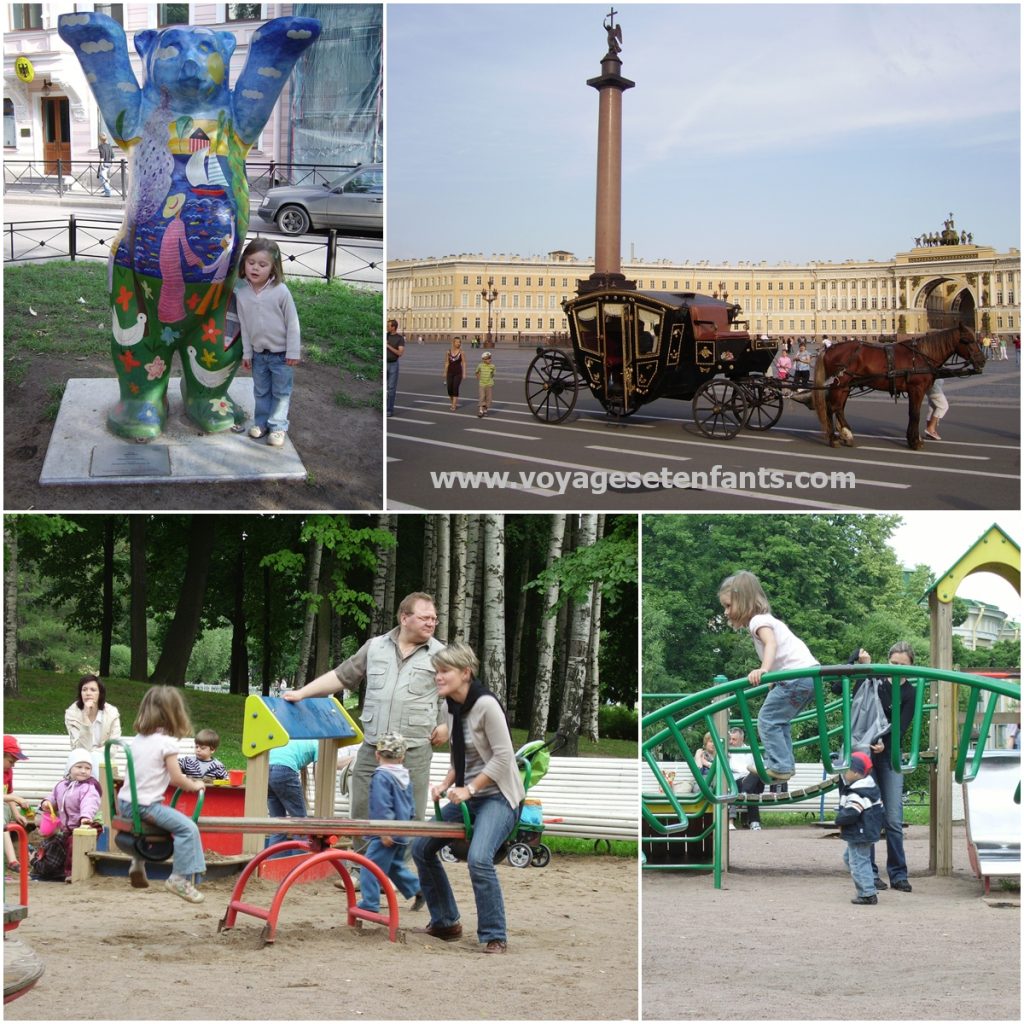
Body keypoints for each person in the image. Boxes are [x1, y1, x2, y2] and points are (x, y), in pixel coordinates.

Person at [283, 592, 448, 851]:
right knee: (361, 809)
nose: (431, 623)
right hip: (373, 746)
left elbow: (455, 693)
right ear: (404, 618)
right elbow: (342, 676)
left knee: (410, 814)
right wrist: (302, 693)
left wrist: (446, 723)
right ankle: (361, 870)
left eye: (434, 619)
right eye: (425, 617)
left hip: (414, 748)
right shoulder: (375, 647)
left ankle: (398, 874)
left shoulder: (441, 654)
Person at [412, 642, 524, 954]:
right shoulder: (453, 705)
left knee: (478, 858)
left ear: (465, 673)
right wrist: (445, 783)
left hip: (499, 797)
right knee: (421, 848)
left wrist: (470, 789)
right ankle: (447, 922)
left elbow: (504, 759)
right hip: (469, 796)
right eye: (437, 671)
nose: (438, 677)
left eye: (444, 671)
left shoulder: (486, 705)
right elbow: (460, 759)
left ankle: (494, 934)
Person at [719, 570, 819, 781]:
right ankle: (785, 765)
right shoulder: (764, 620)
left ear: (744, 601)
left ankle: (780, 765)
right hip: (807, 677)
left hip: (797, 677)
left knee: (767, 720)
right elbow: (783, 652)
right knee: (779, 721)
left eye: (728, 606)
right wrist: (774, 678)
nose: (726, 612)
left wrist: (764, 670)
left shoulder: (758, 621)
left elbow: (771, 644)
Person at [118, 686, 207, 903]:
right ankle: (179, 879)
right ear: (174, 714)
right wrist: (195, 785)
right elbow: (177, 779)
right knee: (188, 828)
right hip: (145, 806)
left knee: (163, 822)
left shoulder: (139, 739)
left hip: (125, 802)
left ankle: (138, 862)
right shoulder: (167, 743)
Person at [236, 238, 301, 448]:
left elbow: (292, 323)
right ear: (244, 263)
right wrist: (247, 354)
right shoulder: (242, 293)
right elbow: (244, 325)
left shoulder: (280, 291)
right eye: (251, 262)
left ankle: (278, 426)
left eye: (262, 265)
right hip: (259, 354)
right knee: (261, 391)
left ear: (273, 268)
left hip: (281, 355)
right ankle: (261, 423)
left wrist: (293, 352)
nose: (255, 268)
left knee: (281, 393)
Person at [865, 641, 918, 893]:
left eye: (902, 665)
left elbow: (902, 725)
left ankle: (898, 873)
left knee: (894, 818)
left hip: (890, 754)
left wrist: (885, 744)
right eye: (893, 664)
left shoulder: (910, 693)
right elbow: (857, 705)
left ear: (911, 666)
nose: (895, 670)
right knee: (871, 814)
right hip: (867, 753)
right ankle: (870, 872)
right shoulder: (876, 682)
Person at [356, 732, 424, 915]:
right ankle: (418, 889)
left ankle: (370, 902)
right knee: (394, 866)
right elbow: (411, 807)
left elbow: (382, 805)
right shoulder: (405, 776)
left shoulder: (382, 776)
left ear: (377, 754)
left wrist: (384, 831)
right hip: (402, 831)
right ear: (403, 756)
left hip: (385, 833)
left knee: (369, 866)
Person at [31, 749, 102, 882]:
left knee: (73, 845)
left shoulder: (89, 787)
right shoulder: (62, 785)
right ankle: (55, 869)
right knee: (57, 843)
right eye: (79, 767)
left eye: (87, 768)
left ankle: (72, 873)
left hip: (87, 825)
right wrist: (47, 803)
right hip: (67, 827)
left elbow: (90, 803)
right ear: (69, 768)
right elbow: (54, 797)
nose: (83, 771)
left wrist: (86, 817)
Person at [835, 750, 884, 905]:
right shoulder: (868, 788)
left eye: (846, 770)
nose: (843, 773)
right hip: (864, 831)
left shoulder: (858, 792)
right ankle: (866, 883)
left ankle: (867, 893)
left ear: (856, 773)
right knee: (851, 858)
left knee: (858, 861)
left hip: (859, 831)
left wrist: (839, 820)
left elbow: (851, 812)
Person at [264, 737, 317, 854]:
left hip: (266, 770)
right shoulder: (319, 744)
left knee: (278, 825)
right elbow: (320, 770)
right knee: (301, 824)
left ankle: (271, 867)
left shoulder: (294, 740)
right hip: (284, 770)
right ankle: (298, 866)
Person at [64, 674, 121, 757]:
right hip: (81, 763)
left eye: (93, 690)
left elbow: (113, 748)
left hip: (103, 762)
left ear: (100, 694)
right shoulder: (72, 714)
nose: (88, 693)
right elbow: (78, 749)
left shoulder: (112, 713)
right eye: (84, 690)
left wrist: (93, 754)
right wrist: (85, 718)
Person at [727, 727, 764, 831]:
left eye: (734, 739)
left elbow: (761, 767)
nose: (731, 742)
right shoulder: (728, 752)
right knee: (752, 792)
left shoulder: (751, 750)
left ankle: (744, 792)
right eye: (730, 739)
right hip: (738, 782)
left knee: (755, 772)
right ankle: (754, 822)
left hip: (754, 780)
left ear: (742, 739)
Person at [4, 735, 31, 874]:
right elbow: (11, 796)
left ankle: (26, 856)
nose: (13, 765)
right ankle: (12, 861)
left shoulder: (8, 772)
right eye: (11, 761)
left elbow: (8, 794)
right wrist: (16, 798)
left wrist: (16, 814)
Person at [386, 318, 405, 417]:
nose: (386, 327)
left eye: (388, 326)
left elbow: (400, 353)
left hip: (393, 365)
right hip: (385, 363)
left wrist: (388, 346)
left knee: (391, 388)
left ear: (393, 327)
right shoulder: (385, 335)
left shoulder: (399, 338)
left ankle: (389, 410)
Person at [442, 337, 467, 411]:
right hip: (450, 372)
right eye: (457, 342)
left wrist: (464, 373)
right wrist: (445, 371)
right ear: (453, 343)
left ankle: (454, 405)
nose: (458, 343)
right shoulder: (448, 352)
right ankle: (453, 401)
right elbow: (447, 362)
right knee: (449, 389)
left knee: (455, 388)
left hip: (458, 373)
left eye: (459, 342)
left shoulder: (462, 352)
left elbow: (464, 362)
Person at [475, 350, 496, 417]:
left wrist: (491, 377)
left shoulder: (492, 366)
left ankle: (485, 410)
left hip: (489, 384)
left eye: (490, 358)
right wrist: (478, 377)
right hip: (482, 384)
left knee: (488, 398)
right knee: (482, 397)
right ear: (483, 359)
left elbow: (493, 374)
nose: (489, 359)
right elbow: (477, 372)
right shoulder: (480, 365)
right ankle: (481, 411)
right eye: (487, 358)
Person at [97, 132, 114, 196]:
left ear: (100, 139)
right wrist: (112, 164)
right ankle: (106, 189)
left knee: (103, 178)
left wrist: (101, 165)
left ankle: (107, 192)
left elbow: (102, 156)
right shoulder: (109, 145)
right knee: (105, 177)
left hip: (104, 164)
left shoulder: (101, 146)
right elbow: (112, 156)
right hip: (109, 163)